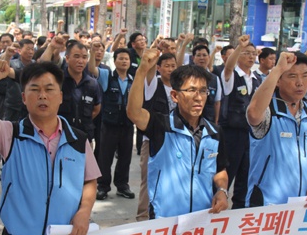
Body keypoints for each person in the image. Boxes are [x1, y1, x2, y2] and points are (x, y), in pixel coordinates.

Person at [0, 60, 100, 235]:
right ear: (24, 98)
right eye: (35, 89)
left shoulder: (78, 139)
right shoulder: (12, 134)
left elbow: (90, 181)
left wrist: (84, 211)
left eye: (49, 89)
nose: (42, 96)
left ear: (61, 96)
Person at [127, 49, 229, 218]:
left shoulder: (214, 132)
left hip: (202, 221)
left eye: (203, 91)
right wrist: (142, 70)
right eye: (191, 90)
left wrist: (222, 190)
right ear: (174, 96)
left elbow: (220, 169)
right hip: (164, 222)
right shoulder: (161, 126)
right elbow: (134, 112)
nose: (198, 97)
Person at [246, 52, 307, 207]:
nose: (300, 83)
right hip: (267, 206)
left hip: (303, 207)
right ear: (278, 81)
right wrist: (277, 69)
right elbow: (253, 112)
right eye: (292, 76)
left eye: (305, 76)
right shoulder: (269, 111)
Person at [135, 52, 178, 221]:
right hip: (152, 141)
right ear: (159, 68)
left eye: (173, 65)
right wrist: (153, 53)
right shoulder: (153, 84)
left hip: (175, 141)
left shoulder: (180, 88)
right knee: (149, 180)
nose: (170, 69)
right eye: (166, 65)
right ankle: (142, 218)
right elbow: (149, 72)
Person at [88, 46, 135, 200]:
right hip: (109, 124)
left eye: (126, 59)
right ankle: (103, 186)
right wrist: (92, 52)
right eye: (120, 58)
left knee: (125, 157)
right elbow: (92, 69)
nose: (124, 61)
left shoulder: (133, 80)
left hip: (127, 125)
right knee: (105, 157)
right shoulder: (107, 76)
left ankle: (122, 186)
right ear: (115, 61)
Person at [220, 35, 261, 209]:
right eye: (247, 53)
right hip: (232, 134)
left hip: (250, 135)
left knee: (246, 174)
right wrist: (238, 47)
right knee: (227, 173)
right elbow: (229, 66)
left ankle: (239, 212)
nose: (251, 57)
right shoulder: (230, 75)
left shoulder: (257, 79)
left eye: (253, 54)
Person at [192, 44, 222, 123]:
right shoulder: (188, 76)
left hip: (208, 120)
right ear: (193, 58)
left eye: (204, 55)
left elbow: (217, 102)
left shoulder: (215, 79)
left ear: (209, 57)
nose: (201, 58)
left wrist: (216, 121)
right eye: (198, 55)